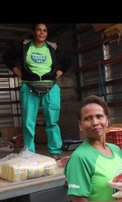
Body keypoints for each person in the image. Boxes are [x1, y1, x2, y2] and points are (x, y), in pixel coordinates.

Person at [2, 23, 71, 159]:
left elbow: (68, 61)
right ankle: (29, 152)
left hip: (50, 87)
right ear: (33, 32)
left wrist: (60, 72)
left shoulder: (53, 47)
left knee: (52, 122)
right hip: (29, 87)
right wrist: (17, 72)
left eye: (44, 30)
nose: (42, 33)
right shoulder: (24, 45)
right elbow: (7, 57)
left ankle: (55, 151)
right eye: (39, 30)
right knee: (28, 122)